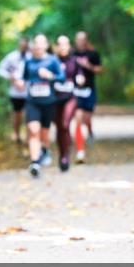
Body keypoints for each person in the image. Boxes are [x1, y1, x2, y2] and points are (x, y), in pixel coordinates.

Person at [16, 33, 65, 178]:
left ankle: (45, 149)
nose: (37, 46)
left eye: (40, 43)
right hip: (32, 102)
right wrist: (20, 83)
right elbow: (24, 79)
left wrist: (50, 76)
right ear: (33, 46)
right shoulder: (28, 62)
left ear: (45, 46)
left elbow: (61, 77)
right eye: (35, 43)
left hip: (48, 102)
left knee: (44, 133)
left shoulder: (52, 61)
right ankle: (35, 163)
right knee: (33, 130)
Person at [52, 35, 82, 172]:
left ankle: (66, 154)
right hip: (55, 98)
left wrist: (80, 78)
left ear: (69, 46)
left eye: (65, 44)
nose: (63, 47)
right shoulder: (52, 61)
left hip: (70, 97)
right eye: (60, 44)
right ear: (56, 46)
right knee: (59, 128)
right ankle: (62, 153)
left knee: (65, 123)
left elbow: (80, 74)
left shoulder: (74, 60)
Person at [72, 31, 104, 163]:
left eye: (82, 39)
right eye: (78, 39)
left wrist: (88, 66)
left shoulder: (93, 54)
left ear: (86, 40)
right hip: (75, 91)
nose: (80, 41)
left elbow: (100, 70)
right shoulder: (72, 54)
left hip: (89, 90)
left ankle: (90, 131)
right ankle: (80, 151)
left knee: (86, 118)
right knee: (78, 119)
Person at [0, 37, 28, 144]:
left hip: (29, 91)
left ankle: (29, 137)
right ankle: (17, 134)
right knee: (17, 113)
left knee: (30, 114)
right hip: (16, 92)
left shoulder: (31, 56)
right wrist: (10, 77)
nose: (23, 47)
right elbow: (0, 69)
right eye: (21, 45)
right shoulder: (11, 57)